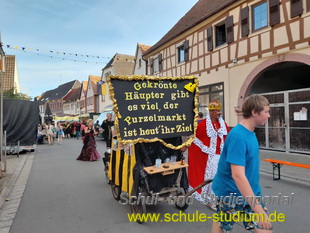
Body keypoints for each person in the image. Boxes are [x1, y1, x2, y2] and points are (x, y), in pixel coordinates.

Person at [211, 94, 272, 233]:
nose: (268, 115)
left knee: (264, 227)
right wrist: (258, 210)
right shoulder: (238, 137)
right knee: (222, 224)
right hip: (231, 194)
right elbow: (238, 175)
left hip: (250, 192)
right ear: (254, 112)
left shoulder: (250, 132)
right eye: (266, 112)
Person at [188, 100, 229, 209]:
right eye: (217, 110)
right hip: (210, 158)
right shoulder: (203, 125)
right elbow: (195, 140)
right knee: (214, 178)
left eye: (220, 110)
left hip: (221, 156)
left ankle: (218, 198)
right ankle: (212, 201)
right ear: (211, 111)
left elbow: (227, 139)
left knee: (221, 178)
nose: (219, 113)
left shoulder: (223, 124)